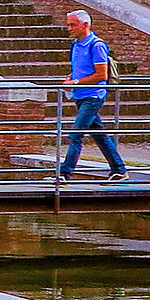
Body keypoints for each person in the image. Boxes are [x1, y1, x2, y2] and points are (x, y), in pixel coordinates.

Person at [56, 10, 130, 182]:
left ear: (85, 25)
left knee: (76, 134)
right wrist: (70, 79)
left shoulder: (96, 45)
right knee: (99, 135)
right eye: (68, 25)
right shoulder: (76, 44)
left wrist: (75, 82)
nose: (69, 28)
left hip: (93, 96)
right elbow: (81, 68)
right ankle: (119, 170)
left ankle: (64, 174)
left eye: (73, 25)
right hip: (80, 95)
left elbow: (101, 75)